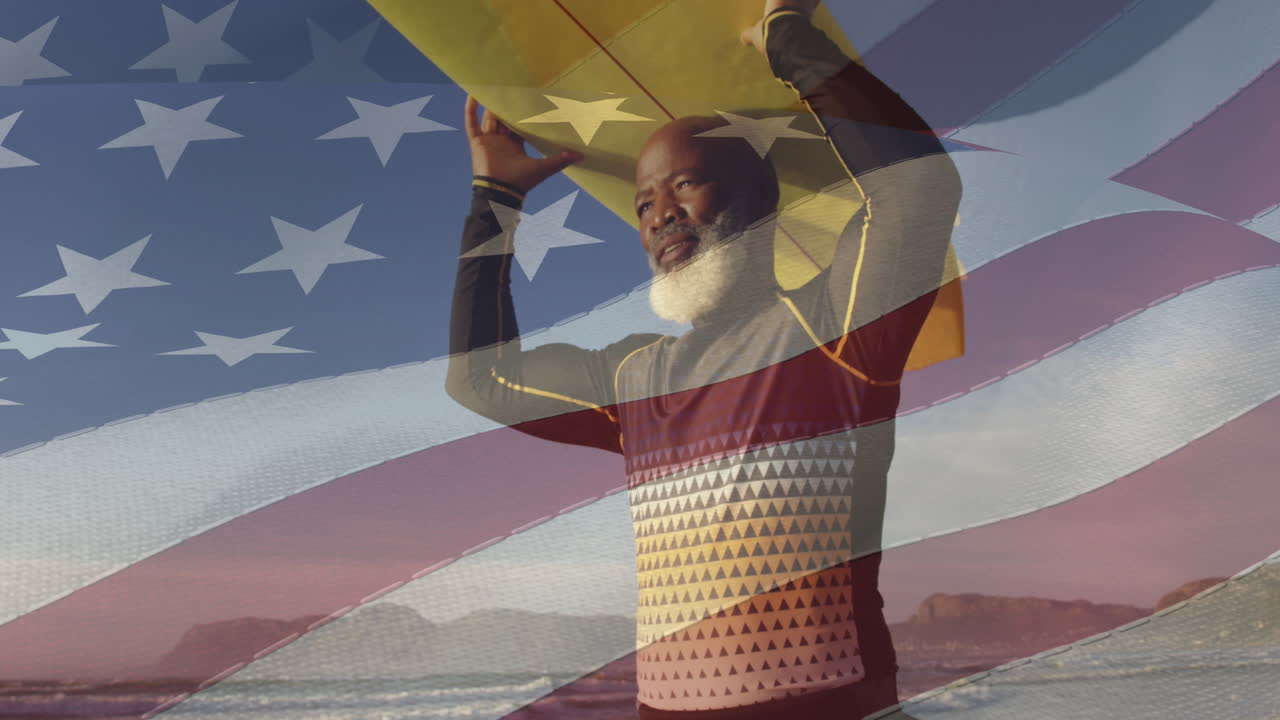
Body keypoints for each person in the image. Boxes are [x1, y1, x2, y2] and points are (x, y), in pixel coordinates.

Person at [447, 1, 961, 717]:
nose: (660, 214)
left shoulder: (836, 328)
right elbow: (482, 380)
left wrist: (788, 38)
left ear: (760, 200)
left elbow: (915, 187)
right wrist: (495, 200)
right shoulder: (635, 379)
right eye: (643, 203)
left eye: (685, 184)